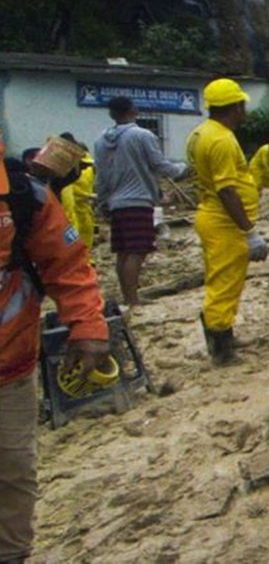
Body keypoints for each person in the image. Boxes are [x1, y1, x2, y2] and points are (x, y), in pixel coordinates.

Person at [1, 127, 111, 561]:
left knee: (12, 472)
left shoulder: (22, 198)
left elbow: (67, 265)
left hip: (9, 369)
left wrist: (87, 327)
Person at [186, 78, 266, 364]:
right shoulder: (220, 139)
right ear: (234, 107)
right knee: (224, 283)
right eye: (242, 106)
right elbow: (227, 190)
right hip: (223, 221)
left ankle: (224, 332)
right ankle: (221, 348)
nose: (244, 111)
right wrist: (249, 230)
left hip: (212, 215)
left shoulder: (200, 133)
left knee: (222, 279)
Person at [94, 97, 190, 306]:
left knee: (123, 251)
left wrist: (103, 202)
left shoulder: (101, 140)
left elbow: (100, 174)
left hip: (115, 202)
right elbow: (159, 165)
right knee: (138, 250)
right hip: (137, 201)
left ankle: (129, 295)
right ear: (134, 110)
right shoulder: (142, 135)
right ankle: (132, 299)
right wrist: (183, 169)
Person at [60, 148, 97, 250]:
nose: (84, 168)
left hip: (83, 210)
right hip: (70, 216)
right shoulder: (62, 181)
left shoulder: (87, 171)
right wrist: (88, 195)